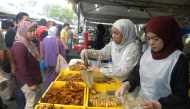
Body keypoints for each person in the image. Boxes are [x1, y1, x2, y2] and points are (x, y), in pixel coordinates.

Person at [115, 16, 189, 109]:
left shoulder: (178, 60)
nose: (151, 43)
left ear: (167, 35)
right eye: (148, 38)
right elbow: (137, 73)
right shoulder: (148, 53)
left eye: (156, 39)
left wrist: (158, 105)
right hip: (142, 104)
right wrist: (126, 85)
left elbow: (181, 95)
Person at [80, 19, 140, 83]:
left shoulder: (133, 48)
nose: (113, 36)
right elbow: (102, 54)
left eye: (116, 33)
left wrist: (100, 70)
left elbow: (124, 71)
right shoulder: (113, 44)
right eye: (112, 33)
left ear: (126, 33)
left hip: (127, 86)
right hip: (115, 81)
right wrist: (88, 52)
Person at [11, 21, 42, 109]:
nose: (33, 33)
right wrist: (30, 83)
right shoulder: (19, 46)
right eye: (30, 31)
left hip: (33, 77)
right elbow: (21, 67)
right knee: (31, 103)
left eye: (34, 30)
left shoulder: (28, 43)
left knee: (36, 100)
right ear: (23, 31)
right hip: (27, 80)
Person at [5, 12, 30, 109]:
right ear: (19, 21)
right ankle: (21, 107)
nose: (29, 22)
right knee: (19, 88)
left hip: (25, 65)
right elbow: (8, 50)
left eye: (29, 20)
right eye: (26, 20)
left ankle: (26, 105)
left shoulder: (25, 32)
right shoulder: (12, 32)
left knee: (25, 87)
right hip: (16, 65)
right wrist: (12, 66)